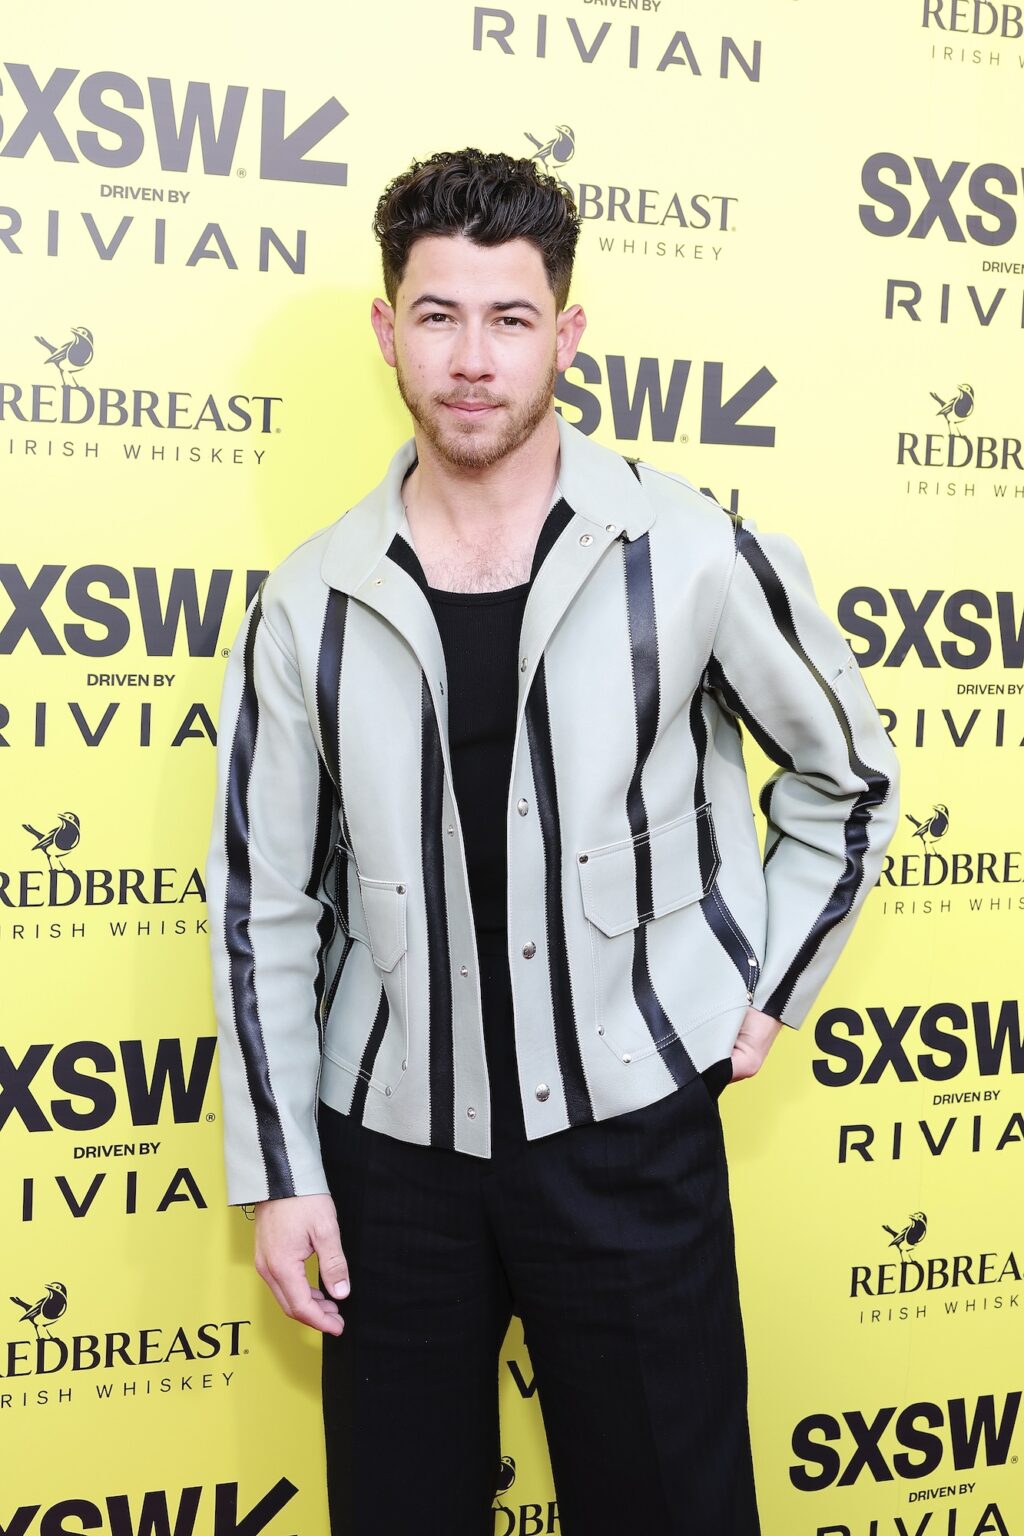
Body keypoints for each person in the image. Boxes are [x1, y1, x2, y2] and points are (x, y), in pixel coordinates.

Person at [205, 147, 900, 1536]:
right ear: (387, 328)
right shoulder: (308, 605)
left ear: (566, 333)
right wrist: (285, 1173)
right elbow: (263, 905)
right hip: (388, 1163)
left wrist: (762, 989)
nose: (473, 359)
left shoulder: (692, 551)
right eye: (440, 314)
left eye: (510, 319)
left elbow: (850, 780)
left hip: (634, 1142)